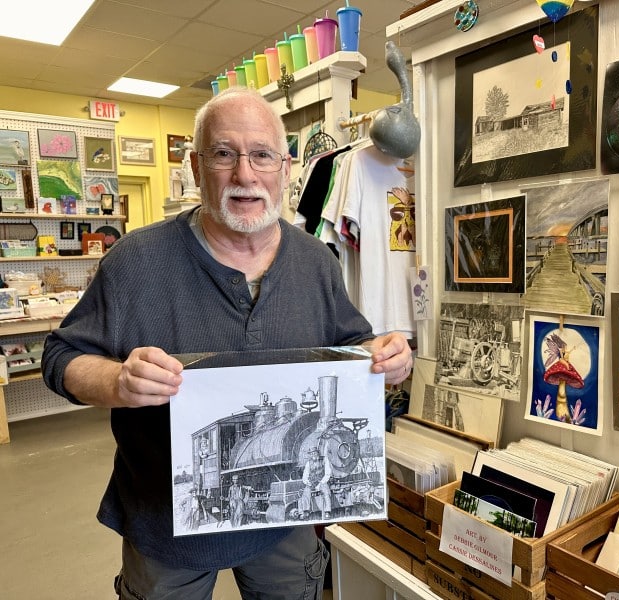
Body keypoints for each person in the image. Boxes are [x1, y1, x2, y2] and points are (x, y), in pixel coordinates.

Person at [41, 85, 413, 600]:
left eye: (262, 155)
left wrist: (385, 355)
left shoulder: (316, 262)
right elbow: (60, 358)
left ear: (285, 169)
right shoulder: (135, 262)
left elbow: (352, 343)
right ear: (196, 168)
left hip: (288, 527)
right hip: (165, 526)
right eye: (224, 154)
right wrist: (116, 381)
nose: (245, 174)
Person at [298, 447, 333, 520]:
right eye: (311, 453)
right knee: (306, 492)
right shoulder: (308, 463)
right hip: (312, 482)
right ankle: (306, 511)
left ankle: (327, 512)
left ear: (318, 453)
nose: (313, 454)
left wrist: (320, 484)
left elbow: (327, 474)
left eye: (315, 453)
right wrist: (307, 482)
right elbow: (305, 476)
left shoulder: (325, 460)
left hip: (322, 481)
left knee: (326, 491)